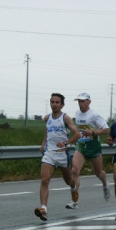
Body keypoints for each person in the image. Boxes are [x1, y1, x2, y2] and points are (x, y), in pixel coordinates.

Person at [34, 93, 81, 221]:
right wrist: (43, 144)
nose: (54, 104)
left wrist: (66, 143)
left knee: (68, 180)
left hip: (62, 154)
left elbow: (77, 135)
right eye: (52, 102)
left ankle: (73, 189)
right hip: (49, 153)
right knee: (45, 180)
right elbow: (47, 131)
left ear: (62, 105)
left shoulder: (66, 118)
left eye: (57, 102)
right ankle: (44, 209)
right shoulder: (47, 118)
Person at [65, 92, 111, 210]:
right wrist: (76, 137)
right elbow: (78, 129)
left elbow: (106, 130)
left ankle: (105, 183)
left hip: (93, 145)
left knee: (98, 173)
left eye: (82, 101)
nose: (80, 104)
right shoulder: (77, 114)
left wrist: (93, 132)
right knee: (74, 171)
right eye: (79, 101)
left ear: (89, 102)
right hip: (81, 145)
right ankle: (74, 200)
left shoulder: (94, 115)